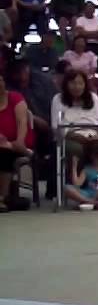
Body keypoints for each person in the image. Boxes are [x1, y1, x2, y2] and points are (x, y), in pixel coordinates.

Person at [0, 72, 34, 212]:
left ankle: (2, 197)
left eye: (0, 80)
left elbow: (22, 122)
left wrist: (18, 142)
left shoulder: (15, 98)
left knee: (4, 153)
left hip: (19, 143)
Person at [63, 139, 98, 210]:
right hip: (89, 193)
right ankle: (92, 202)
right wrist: (74, 166)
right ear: (94, 156)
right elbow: (77, 184)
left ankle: (88, 202)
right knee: (67, 188)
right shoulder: (87, 169)